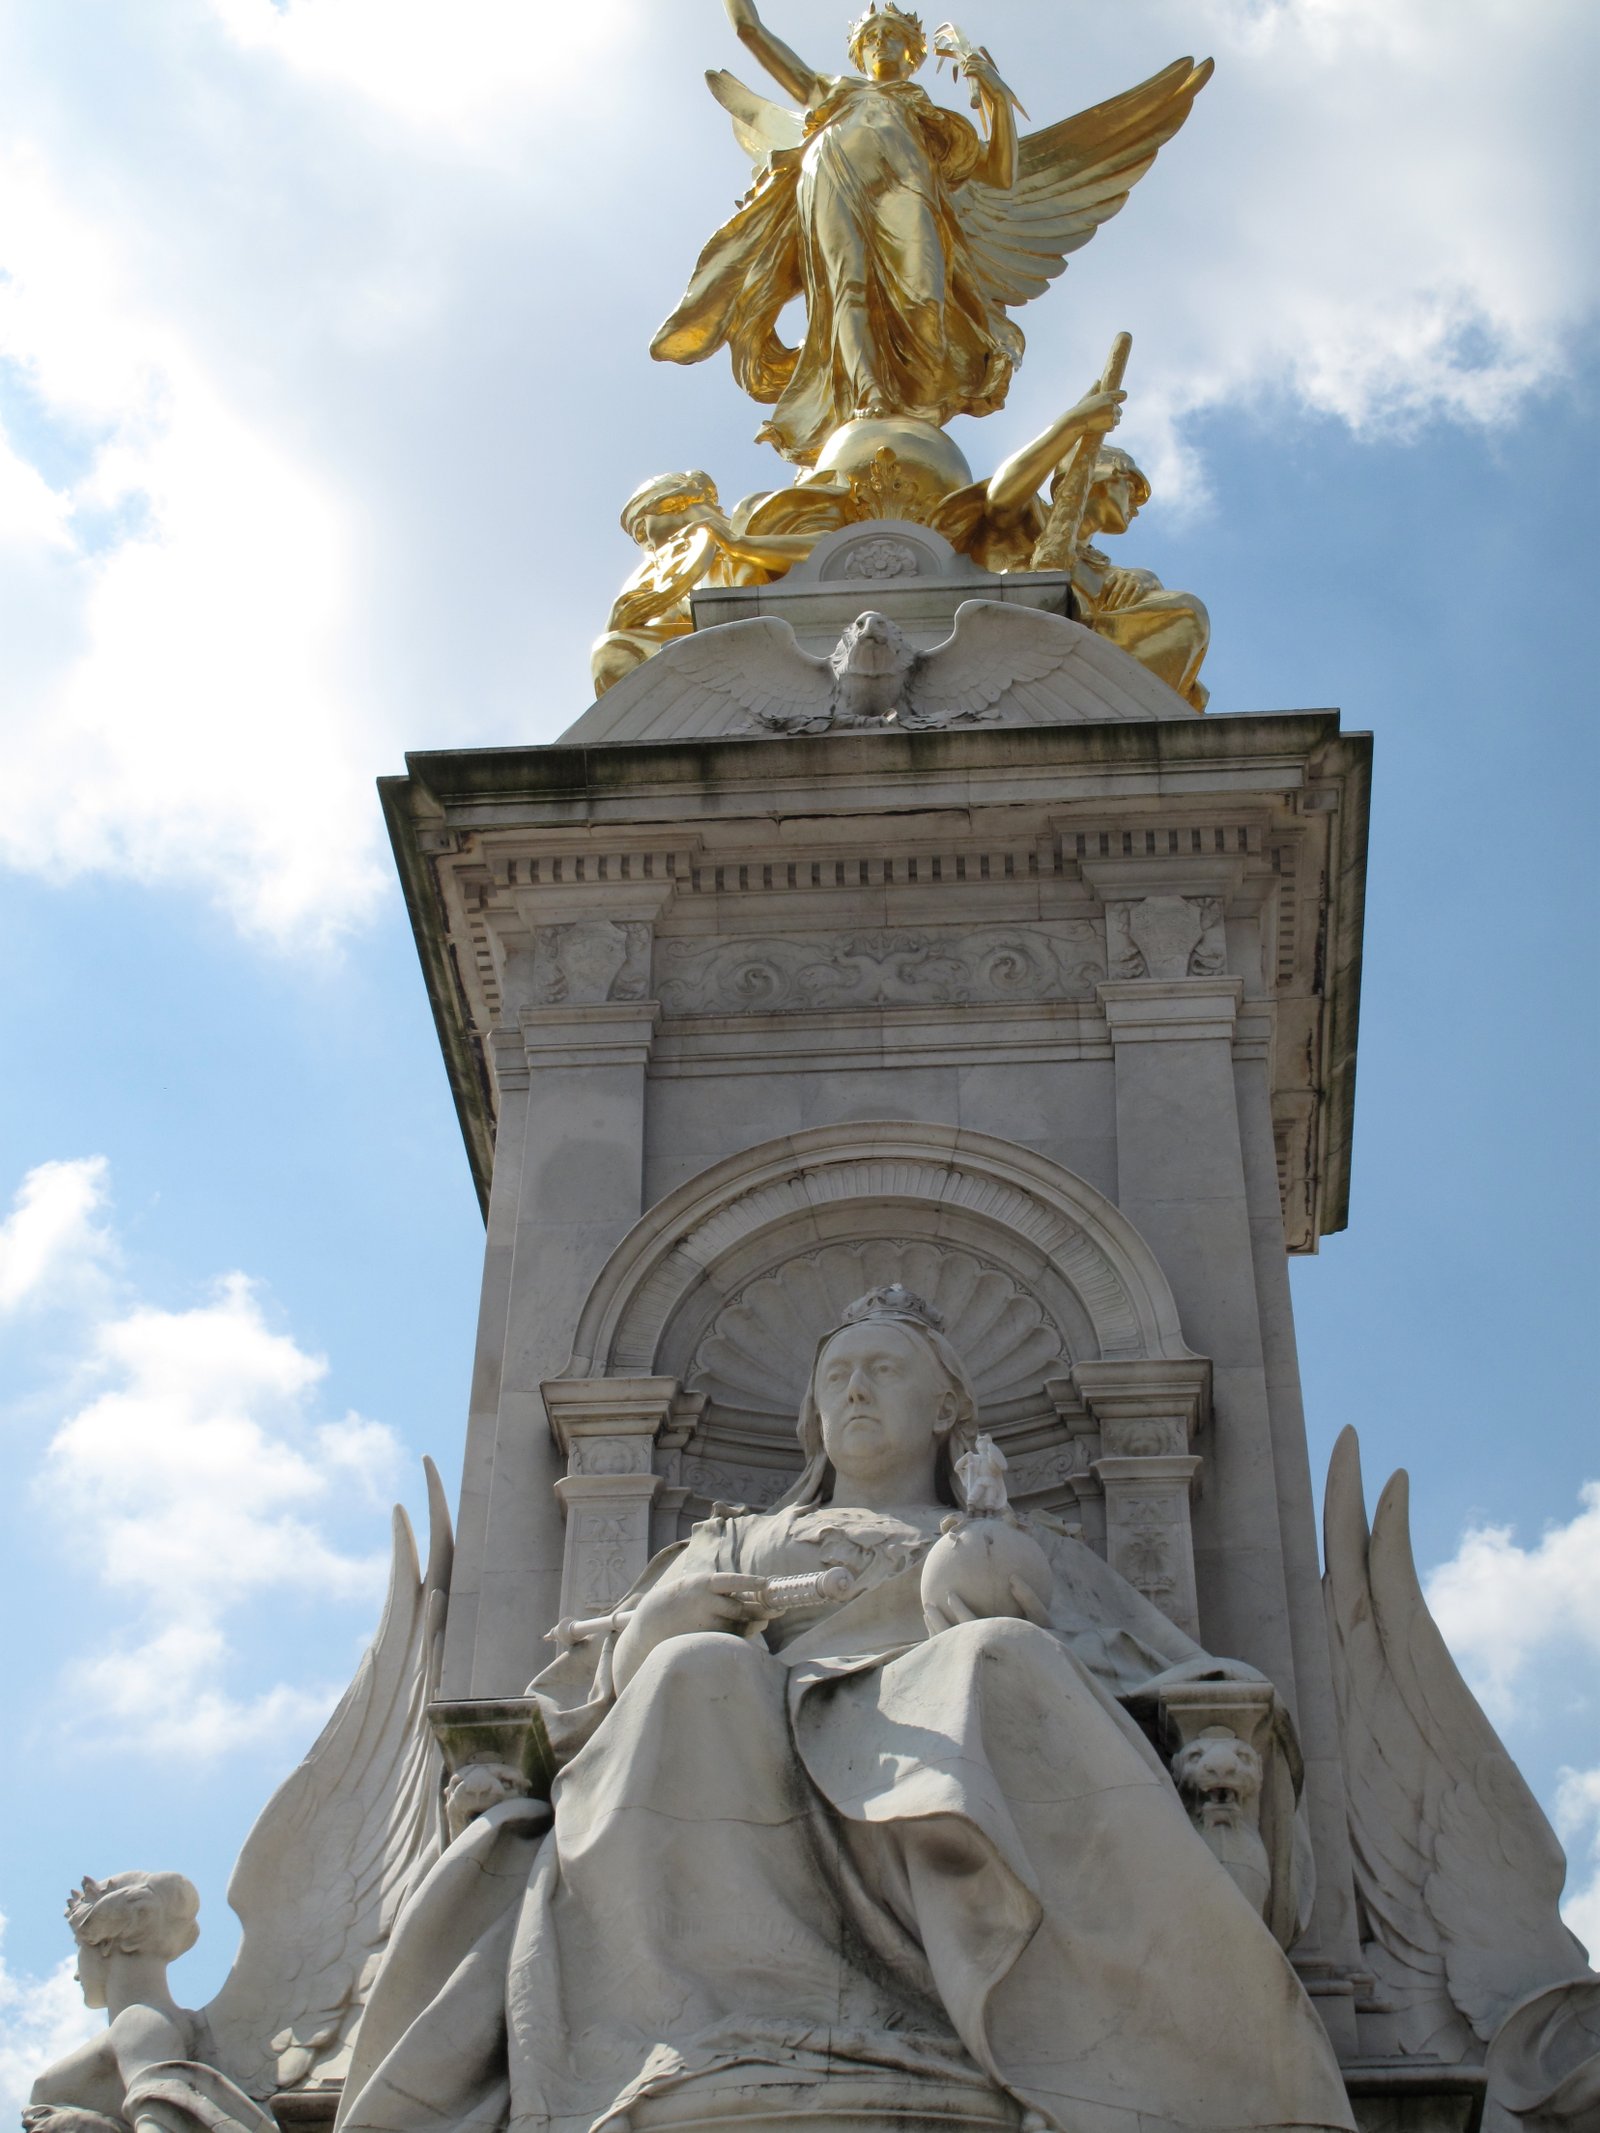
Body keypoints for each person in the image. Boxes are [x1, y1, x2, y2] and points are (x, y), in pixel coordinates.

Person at [337, 1285, 1355, 2133]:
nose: (856, 1390)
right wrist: (660, 1625)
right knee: (696, 1674)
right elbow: (579, 1687)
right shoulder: (731, 1540)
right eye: (837, 1376)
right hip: (745, 1733)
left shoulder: (1014, 1537)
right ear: (811, 1416)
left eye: (884, 1371)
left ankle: (1018, 2016)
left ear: (947, 1408)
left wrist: (994, 1562)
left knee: (991, 1659)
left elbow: (1137, 1666)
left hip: (938, 1722)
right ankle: (714, 2019)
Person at [652, 3, 1022, 462]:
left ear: (914, 53)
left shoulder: (931, 119)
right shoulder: (834, 89)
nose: (880, 43)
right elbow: (750, 30)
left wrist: (996, 99)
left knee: (926, 297)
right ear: (857, 54)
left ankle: (920, 399)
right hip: (831, 176)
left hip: (908, 187)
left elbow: (1002, 175)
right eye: (870, 37)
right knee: (846, 287)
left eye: (892, 35)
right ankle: (870, 395)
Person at [25, 1875, 275, 2133]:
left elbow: (164, 2121)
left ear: (107, 1942)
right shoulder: (152, 2022)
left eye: (79, 1945)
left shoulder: (138, 2022)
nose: (76, 1972)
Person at [590, 470, 823, 696]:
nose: (647, 546)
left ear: (672, 503)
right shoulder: (660, 575)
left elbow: (833, 547)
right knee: (611, 651)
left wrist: (740, 545)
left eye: (641, 532)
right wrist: (619, 623)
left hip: (785, 641)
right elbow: (657, 636)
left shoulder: (752, 516)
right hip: (712, 660)